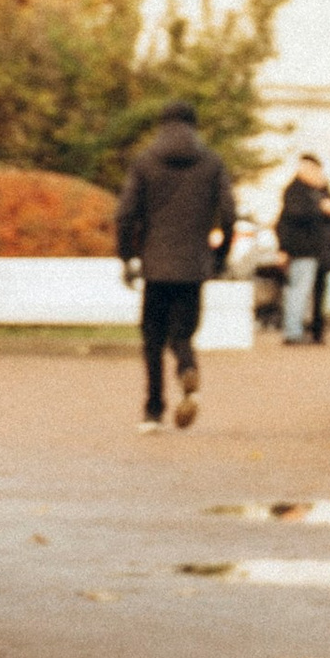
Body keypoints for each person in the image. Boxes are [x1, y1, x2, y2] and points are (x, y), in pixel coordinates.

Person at [116, 105, 235, 429]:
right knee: (182, 334)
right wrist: (220, 256)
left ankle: (153, 409)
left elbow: (125, 213)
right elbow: (228, 213)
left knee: (152, 339)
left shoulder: (145, 161)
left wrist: (127, 257)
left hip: (156, 264)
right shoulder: (212, 162)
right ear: (194, 126)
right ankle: (186, 368)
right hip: (193, 264)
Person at [275, 154, 330, 346]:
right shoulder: (295, 192)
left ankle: (315, 331)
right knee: (299, 290)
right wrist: (283, 249)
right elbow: (290, 220)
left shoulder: (324, 192)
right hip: (302, 250)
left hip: (322, 251)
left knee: (317, 294)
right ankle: (293, 331)